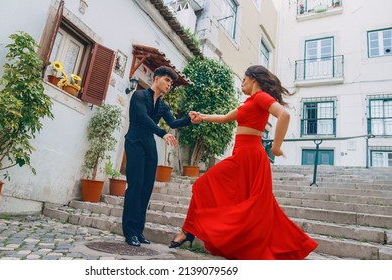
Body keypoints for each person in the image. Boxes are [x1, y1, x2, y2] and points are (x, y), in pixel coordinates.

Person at [169, 65, 318, 259]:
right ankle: (191, 230)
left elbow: (284, 114)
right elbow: (224, 118)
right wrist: (201, 117)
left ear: (253, 79)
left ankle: (188, 230)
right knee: (239, 201)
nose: (242, 84)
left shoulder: (261, 97)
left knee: (204, 184)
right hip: (242, 155)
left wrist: (276, 146)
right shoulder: (251, 102)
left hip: (249, 155)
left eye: (244, 80)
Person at [122, 66, 200, 246]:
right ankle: (130, 232)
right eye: (167, 80)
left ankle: (139, 231)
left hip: (149, 145)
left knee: (146, 187)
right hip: (134, 141)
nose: (169, 85)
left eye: (172, 83)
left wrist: (190, 119)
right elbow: (142, 118)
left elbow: (173, 122)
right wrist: (162, 133)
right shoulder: (139, 96)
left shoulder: (163, 105)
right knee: (135, 186)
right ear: (156, 78)